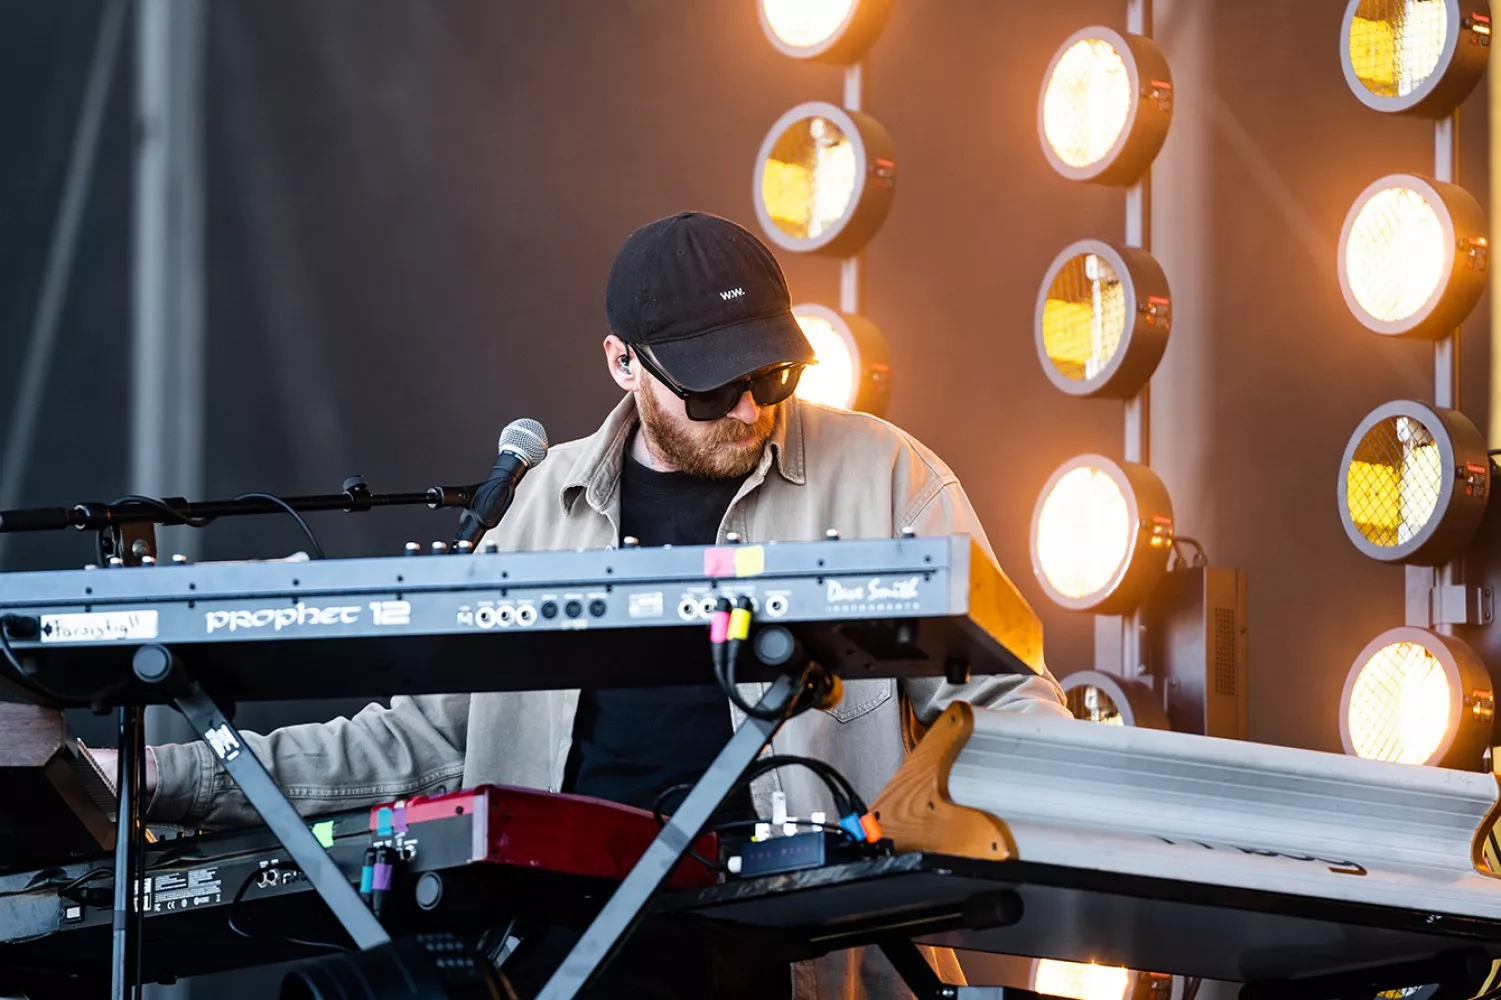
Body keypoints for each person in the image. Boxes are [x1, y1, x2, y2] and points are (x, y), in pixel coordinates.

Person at [110, 211, 1071, 998]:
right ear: (623, 364)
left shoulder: (890, 475)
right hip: (559, 957)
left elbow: (1005, 709)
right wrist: (163, 777)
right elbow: (422, 742)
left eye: (771, 375)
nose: (748, 409)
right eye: (712, 388)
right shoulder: (539, 503)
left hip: (795, 961)